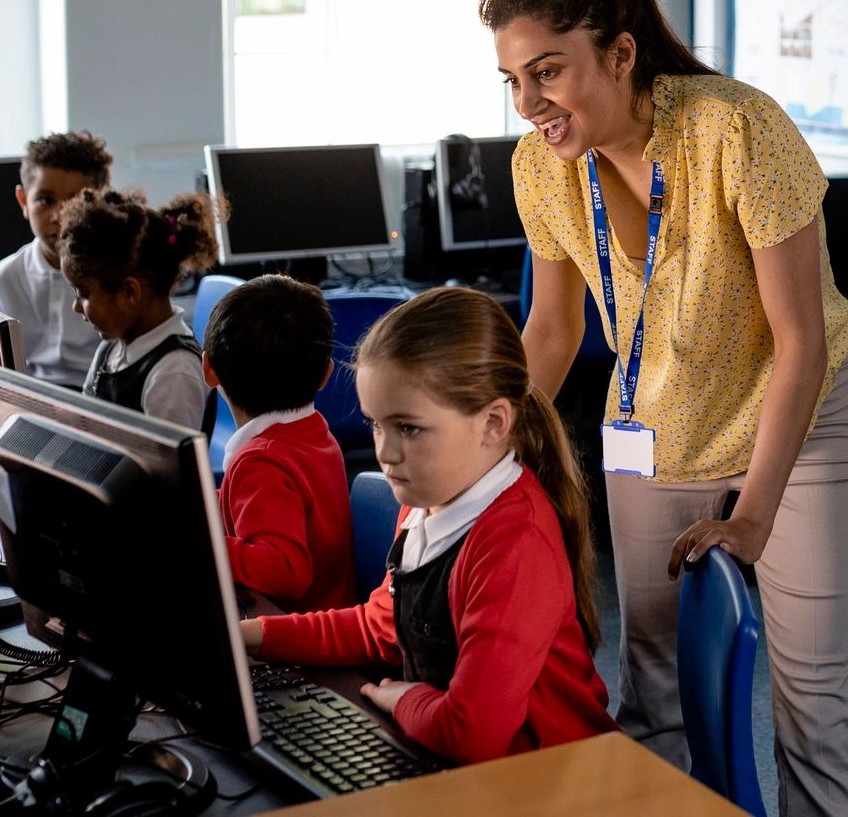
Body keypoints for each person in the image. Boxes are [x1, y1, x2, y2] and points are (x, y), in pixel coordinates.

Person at [486, 0, 848, 817]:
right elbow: (550, 331)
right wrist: (482, 456)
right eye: (511, 80)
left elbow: (801, 342)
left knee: (810, 707)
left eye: (547, 71)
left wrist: (753, 515)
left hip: (796, 426)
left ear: (620, 54)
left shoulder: (738, 130)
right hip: (654, 427)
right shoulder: (540, 167)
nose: (528, 102)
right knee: (651, 693)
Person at [241, 288, 615, 766]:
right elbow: (382, 628)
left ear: (493, 423)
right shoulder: (428, 499)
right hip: (459, 758)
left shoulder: (513, 543)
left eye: (409, 428)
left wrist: (404, 700)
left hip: (547, 779)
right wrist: (251, 634)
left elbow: (470, 734)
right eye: (377, 425)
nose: (385, 452)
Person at [203, 274, 354, 613]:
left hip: (289, 637)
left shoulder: (261, 461)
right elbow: (267, 508)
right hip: (325, 618)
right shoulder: (314, 433)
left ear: (209, 370)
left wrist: (201, 544)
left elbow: (285, 571)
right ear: (325, 374)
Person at [58, 188, 217, 431]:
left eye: (84, 294)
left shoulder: (173, 373)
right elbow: (86, 425)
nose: (76, 306)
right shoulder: (111, 348)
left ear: (129, 292)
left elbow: (166, 468)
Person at [0, 131, 112, 385]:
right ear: (23, 201)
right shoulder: (9, 275)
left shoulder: (118, 271)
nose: (58, 216)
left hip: (104, 399)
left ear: (101, 201)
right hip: (34, 399)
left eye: (75, 201)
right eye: (45, 200)